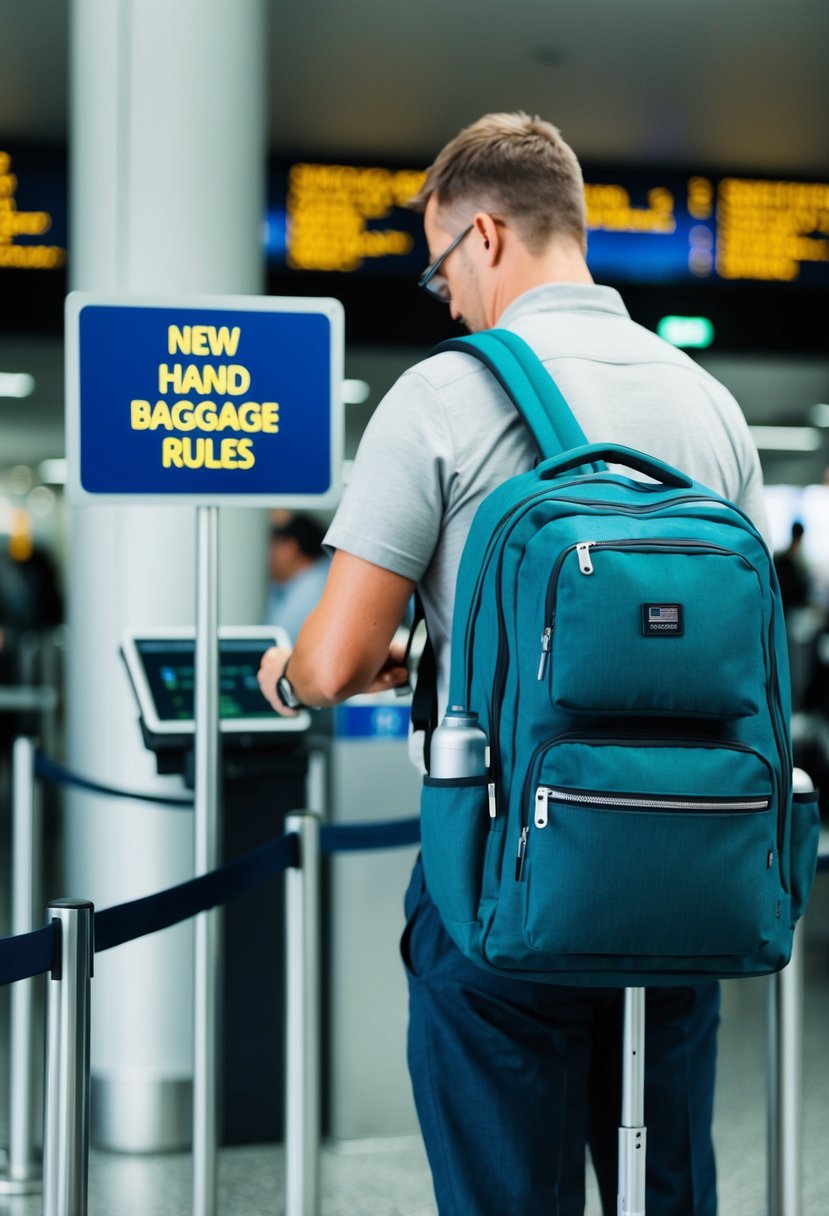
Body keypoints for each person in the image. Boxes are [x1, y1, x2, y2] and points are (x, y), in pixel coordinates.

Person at [257, 112, 769, 1215]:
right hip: (682, 873)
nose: (443, 295)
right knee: (662, 1184)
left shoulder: (445, 394)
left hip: (501, 872)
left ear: (485, 237)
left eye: (441, 263)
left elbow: (335, 659)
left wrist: (289, 673)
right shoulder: (709, 406)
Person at [263, 511, 330, 642]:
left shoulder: (312, 588)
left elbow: (274, 641)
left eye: (273, 545)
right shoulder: (296, 584)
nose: (268, 556)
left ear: (290, 548)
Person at [773, 520, 810, 612]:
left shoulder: (780, 557)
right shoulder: (800, 561)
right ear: (802, 535)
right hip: (791, 607)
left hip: (780, 603)